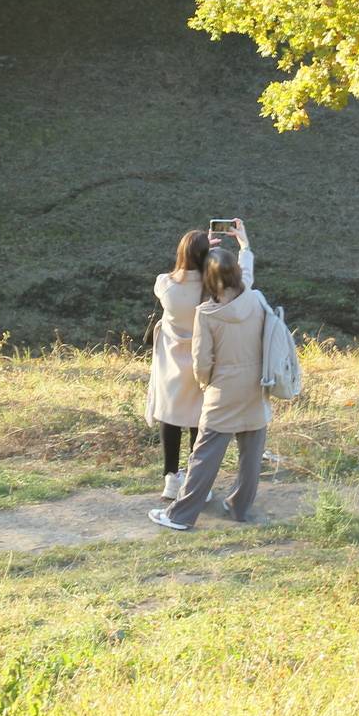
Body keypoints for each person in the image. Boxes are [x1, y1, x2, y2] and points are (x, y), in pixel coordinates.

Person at [149, 245, 270, 531]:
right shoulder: (256, 299)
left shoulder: (207, 313)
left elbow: (202, 362)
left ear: (209, 279)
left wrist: (206, 384)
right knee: (251, 452)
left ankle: (180, 516)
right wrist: (245, 246)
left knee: (204, 455)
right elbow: (248, 278)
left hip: (223, 390)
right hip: (256, 387)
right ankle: (239, 507)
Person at [147, 220, 253, 499]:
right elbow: (245, 281)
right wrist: (244, 247)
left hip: (171, 362)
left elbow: (174, 274)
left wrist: (198, 248)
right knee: (199, 419)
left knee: (170, 418)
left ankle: (171, 479)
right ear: (206, 256)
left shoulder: (165, 284)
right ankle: (196, 483)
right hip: (203, 361)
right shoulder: (214, 291)